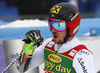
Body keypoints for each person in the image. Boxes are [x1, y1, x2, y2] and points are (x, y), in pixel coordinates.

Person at [16, 2, 96, 73]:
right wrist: (28, 47)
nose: (53, 29)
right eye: (51, 23)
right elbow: (21, 68)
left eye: (59, 25)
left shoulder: (81, 55)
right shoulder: (47, 45)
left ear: (71, 27)